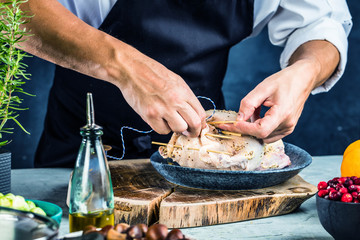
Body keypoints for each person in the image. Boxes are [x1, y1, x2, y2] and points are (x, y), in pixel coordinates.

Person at [13, 0, 352, 167]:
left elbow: (321, 22)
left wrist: (305, 72)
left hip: (207, 168)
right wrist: (125, 66)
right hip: (81, 158)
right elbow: (12, 8)